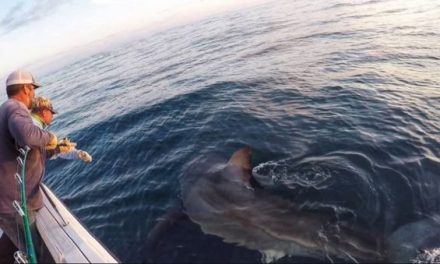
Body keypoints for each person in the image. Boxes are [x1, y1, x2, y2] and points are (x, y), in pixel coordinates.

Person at [0, 69, 73, 254]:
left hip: (7, 202)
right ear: (25, 88)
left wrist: (56, 149)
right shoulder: (16, 108)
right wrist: (51, 138)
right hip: (15, 203)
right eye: (32, 89)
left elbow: (25, 152)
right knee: (38, 254)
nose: (34, 94)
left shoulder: (5, 109)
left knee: (10, 248)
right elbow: (28, 136)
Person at [31, 96, 92, 163]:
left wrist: (77, 153)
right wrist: (57, 148)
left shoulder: (32, 126)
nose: (52, 116)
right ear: (44, 112)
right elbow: (35, 154)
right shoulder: (34, 127)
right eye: (52, 113)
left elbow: (45, 149)